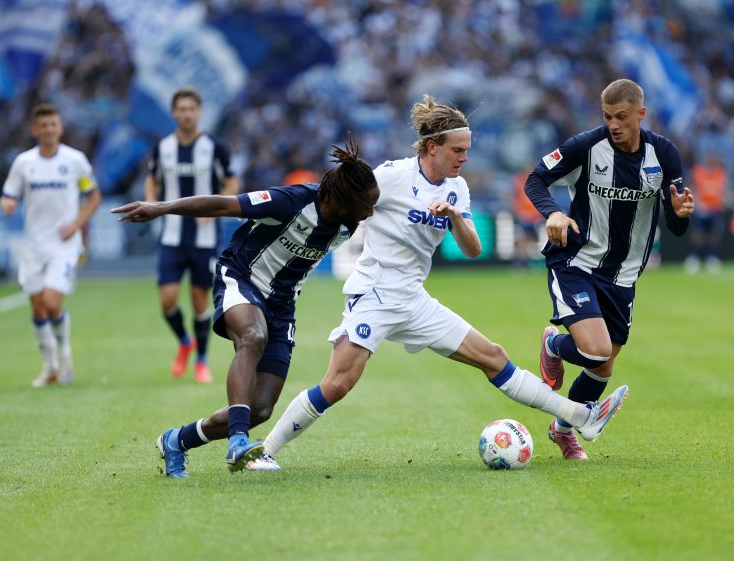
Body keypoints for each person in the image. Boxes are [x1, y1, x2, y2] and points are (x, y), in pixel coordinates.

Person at [246, 95, 629, 472]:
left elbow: (473, 249)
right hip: (375, 294)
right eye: (458, 150)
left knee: (493, 357)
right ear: (432, 147)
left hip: (413, 300)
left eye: (467, 150)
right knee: (338, 383)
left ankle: (581, 417)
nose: (464, 158)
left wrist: (454, 217)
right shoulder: (392, 176)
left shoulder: (456, 188)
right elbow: (343, 201)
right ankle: (265, 451)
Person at [113, 135, 379, 477]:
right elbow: (222, 205)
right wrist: (161, 208)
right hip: (241, 279)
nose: (370, 212)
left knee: (260, 409)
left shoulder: (349, 222)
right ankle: (238, 441)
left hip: (282, 306)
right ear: (343, 199)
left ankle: (176, 441)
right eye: (367, 205)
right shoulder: (290, 201)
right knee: (252, 336)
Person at [525, 78, 695, 460]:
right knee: (598, 351)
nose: (613, 124)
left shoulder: (664, 155)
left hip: (623, 276)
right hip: (577, 262)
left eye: (621, 116)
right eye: (607, 116)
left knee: (602, 367)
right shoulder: (586, 146)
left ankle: (562, 429)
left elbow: (676, 225)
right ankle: (553, 344)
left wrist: (681, 214)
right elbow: (536, 179)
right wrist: (552, 212)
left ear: (641, 113)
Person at [0, 102, 102, 387]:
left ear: (60, 128)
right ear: (34, 130)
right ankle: (49, 366)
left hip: (64, 243)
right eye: (43, 125)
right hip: (33, 245)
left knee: (51, 301)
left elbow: (93, 197)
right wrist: (7, 204)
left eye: (53, 124)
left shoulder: (75, 161)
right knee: (37, 308)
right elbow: (9, 195)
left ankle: (65, 356)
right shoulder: (23, 163)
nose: (49, 129)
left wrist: (76, 224)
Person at [145, 87, 240, 384]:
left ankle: (201, 360)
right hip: (172, 236)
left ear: (199, 112)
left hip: (204, 238)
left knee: (200, 301)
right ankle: (184, 342)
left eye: (191, 109)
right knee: (167, 300)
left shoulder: (214, 146)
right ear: (174, 112)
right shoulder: (163, 147)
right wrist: (152, 205)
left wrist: (215, 208)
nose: (186, 114)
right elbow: (152, 179)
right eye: (181, 109)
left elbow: (231, 182)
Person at [685, 150, 730, 274]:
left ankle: (712, 257)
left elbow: (724, 190)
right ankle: (694, 257)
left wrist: (724, 200)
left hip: (715, 209)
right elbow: (691, 188)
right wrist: (696, 201)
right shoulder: (698, 172)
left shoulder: (720, 173)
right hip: (701, 209)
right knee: (698, 233)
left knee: (714, 234)